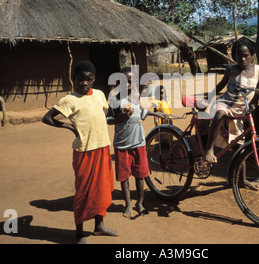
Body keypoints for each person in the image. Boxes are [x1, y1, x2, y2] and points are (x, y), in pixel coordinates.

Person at [42, 61, 118, 244]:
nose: (85, 83)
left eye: (88, 79)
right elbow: (47, 118)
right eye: (80, 79)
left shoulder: (99, 95)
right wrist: (69, 126)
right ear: (73, 79)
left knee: (101, 190)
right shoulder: (69, 99)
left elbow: (105, 118)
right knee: (83, 192)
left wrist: (121, 115)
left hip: (103, 148)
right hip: (84, 152)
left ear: (94, 79)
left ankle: (99, 226)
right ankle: (79, 233)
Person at [107, 67, 168, 218]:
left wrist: (155, 112)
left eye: (130, 82)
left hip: (139, 143)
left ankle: (139, 203)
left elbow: (140, 111)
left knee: (140, 176)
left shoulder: (136, 95)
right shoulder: (115, 100)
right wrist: (120, 118)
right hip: (122, 145)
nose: (127, 85)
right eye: (123, 82)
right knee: (124, 177)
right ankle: (128, 204)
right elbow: (108, 119)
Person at [205, 39, 259, 163]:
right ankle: (209, 148)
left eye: (245, 55)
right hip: (225, 103)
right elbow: (221, 85)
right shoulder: (231, 70)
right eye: (238, 56)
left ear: (251, 55)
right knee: (220, 114)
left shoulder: (258, 70)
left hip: (242, 109)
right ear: (234, 56)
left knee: (240, 149)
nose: (242, 59)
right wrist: (209, 98)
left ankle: (241, 180)